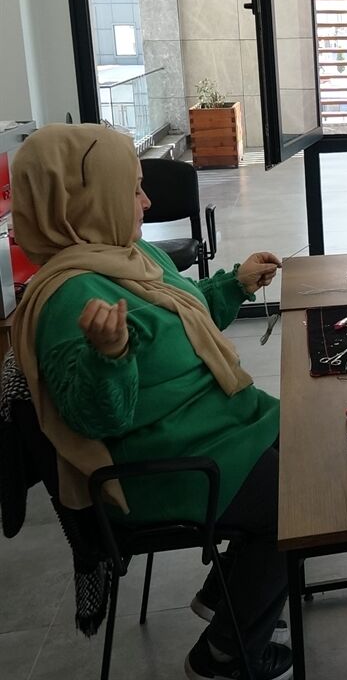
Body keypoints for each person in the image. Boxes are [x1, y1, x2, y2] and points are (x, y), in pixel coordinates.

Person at [10, 124, 291, 680]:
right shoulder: (67, 298)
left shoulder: (128, 255)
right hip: (159, 468)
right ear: (83, 199)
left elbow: (184, 319)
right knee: (302, 501)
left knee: (307, 438)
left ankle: (229, 590)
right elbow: (94, 418)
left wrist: (235, 284)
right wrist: (108, 357)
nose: (146, 201)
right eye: (132, 189)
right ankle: (225, 654)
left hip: (208, 430)